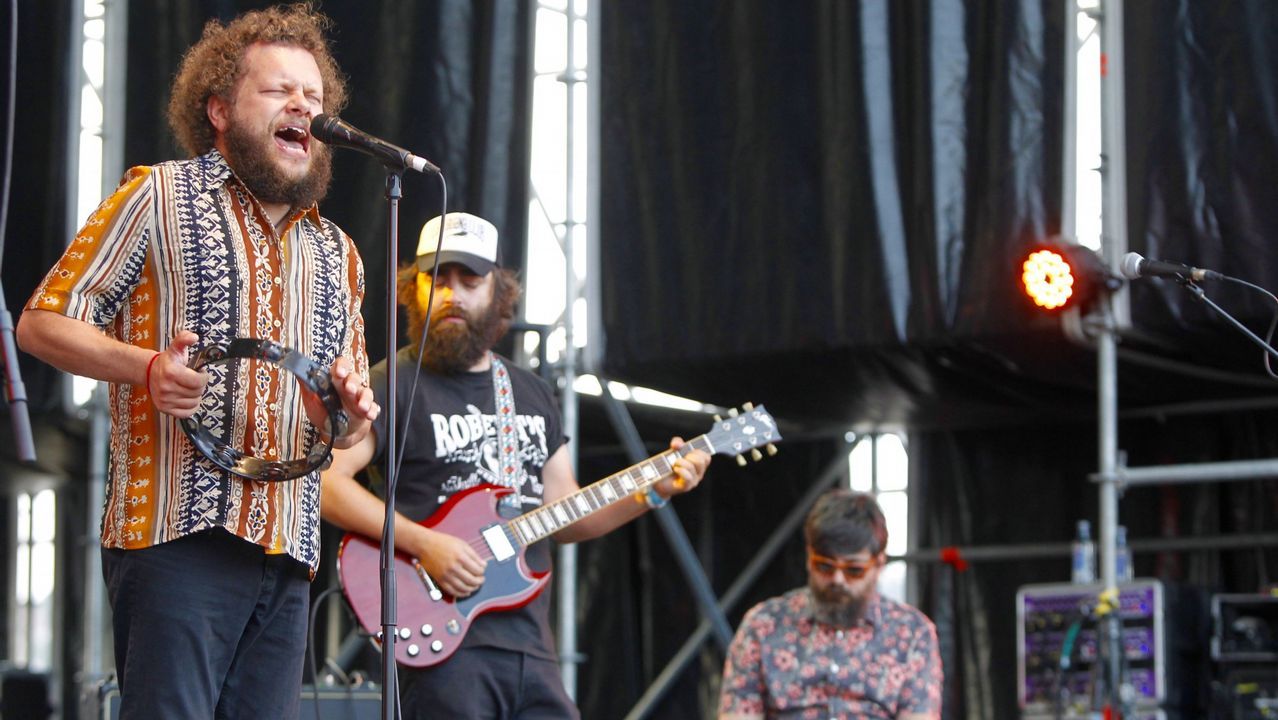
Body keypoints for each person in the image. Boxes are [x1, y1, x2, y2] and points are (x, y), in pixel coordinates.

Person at [16, 5, 379, 718]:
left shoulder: (337, 253)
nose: (302, 106)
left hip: (288, 547)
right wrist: (147, 369)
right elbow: (42, 322)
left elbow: (351, 431)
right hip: (177, 535)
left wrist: (339, 416)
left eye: (313, 96)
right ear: (219, 110)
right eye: (278, 90)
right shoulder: (157, 194)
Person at [320, 211, 712, 719]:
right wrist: (426, 544)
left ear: (499, 292)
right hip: (442, 641)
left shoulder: (530, 393)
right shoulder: (391, 382)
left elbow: (565, 510)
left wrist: (653, 489)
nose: (452, 294)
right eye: (437, 278)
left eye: (470, 280)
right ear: (412, 288)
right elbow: (328, 484)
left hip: (529, 641)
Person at [718, 490, 942, 720]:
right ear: (809, 557)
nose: (837, 580)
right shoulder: (763, 624)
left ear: (879, 564)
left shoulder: (912, 632)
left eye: (854, 570)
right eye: (824, 566)